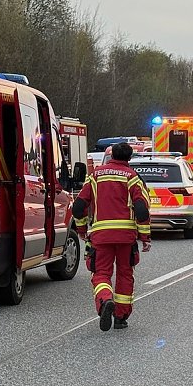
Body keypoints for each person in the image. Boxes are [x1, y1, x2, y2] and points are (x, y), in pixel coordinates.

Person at [72, 142, 151, 331]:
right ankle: (120, 317)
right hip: (126, 237)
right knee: (125, 274)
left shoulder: (95, 176)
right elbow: (141, 209)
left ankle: (105, 300)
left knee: (100, 274)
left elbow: (79, 206)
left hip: (101, 236)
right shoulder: (133, 178)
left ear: (111, 155)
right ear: (129, 158)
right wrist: (145, 237)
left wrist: (82, 231)